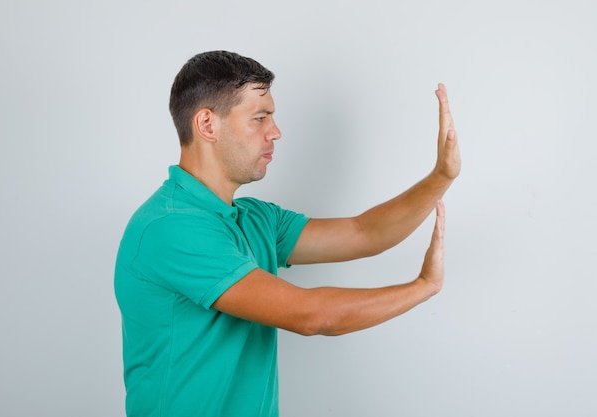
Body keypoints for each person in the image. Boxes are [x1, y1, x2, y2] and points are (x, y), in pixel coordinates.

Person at [114, 50, 461, 417]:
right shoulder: (170, 228)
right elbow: (313, 315)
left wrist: (441, 177)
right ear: (207, 125)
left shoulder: (254, 218)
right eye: (259, 118)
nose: (275, 132)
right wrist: (422, 287)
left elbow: (364, 233)